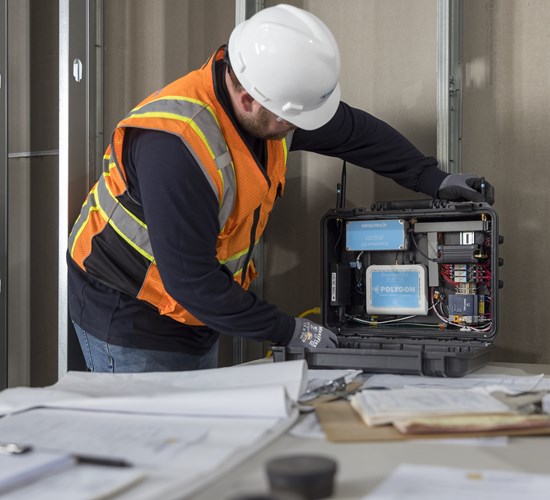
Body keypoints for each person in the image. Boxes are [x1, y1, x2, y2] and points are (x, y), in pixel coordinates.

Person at [67, 4, 494, 373]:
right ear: (248, 99)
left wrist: (431, 179)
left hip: (196, 308)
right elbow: (193, 283)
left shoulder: (269, 105)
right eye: (290, 120)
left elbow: (354, 133)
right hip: (129, 310)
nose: (296, 128)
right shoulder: (176, 148)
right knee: (159, 437)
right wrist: (291, 331)